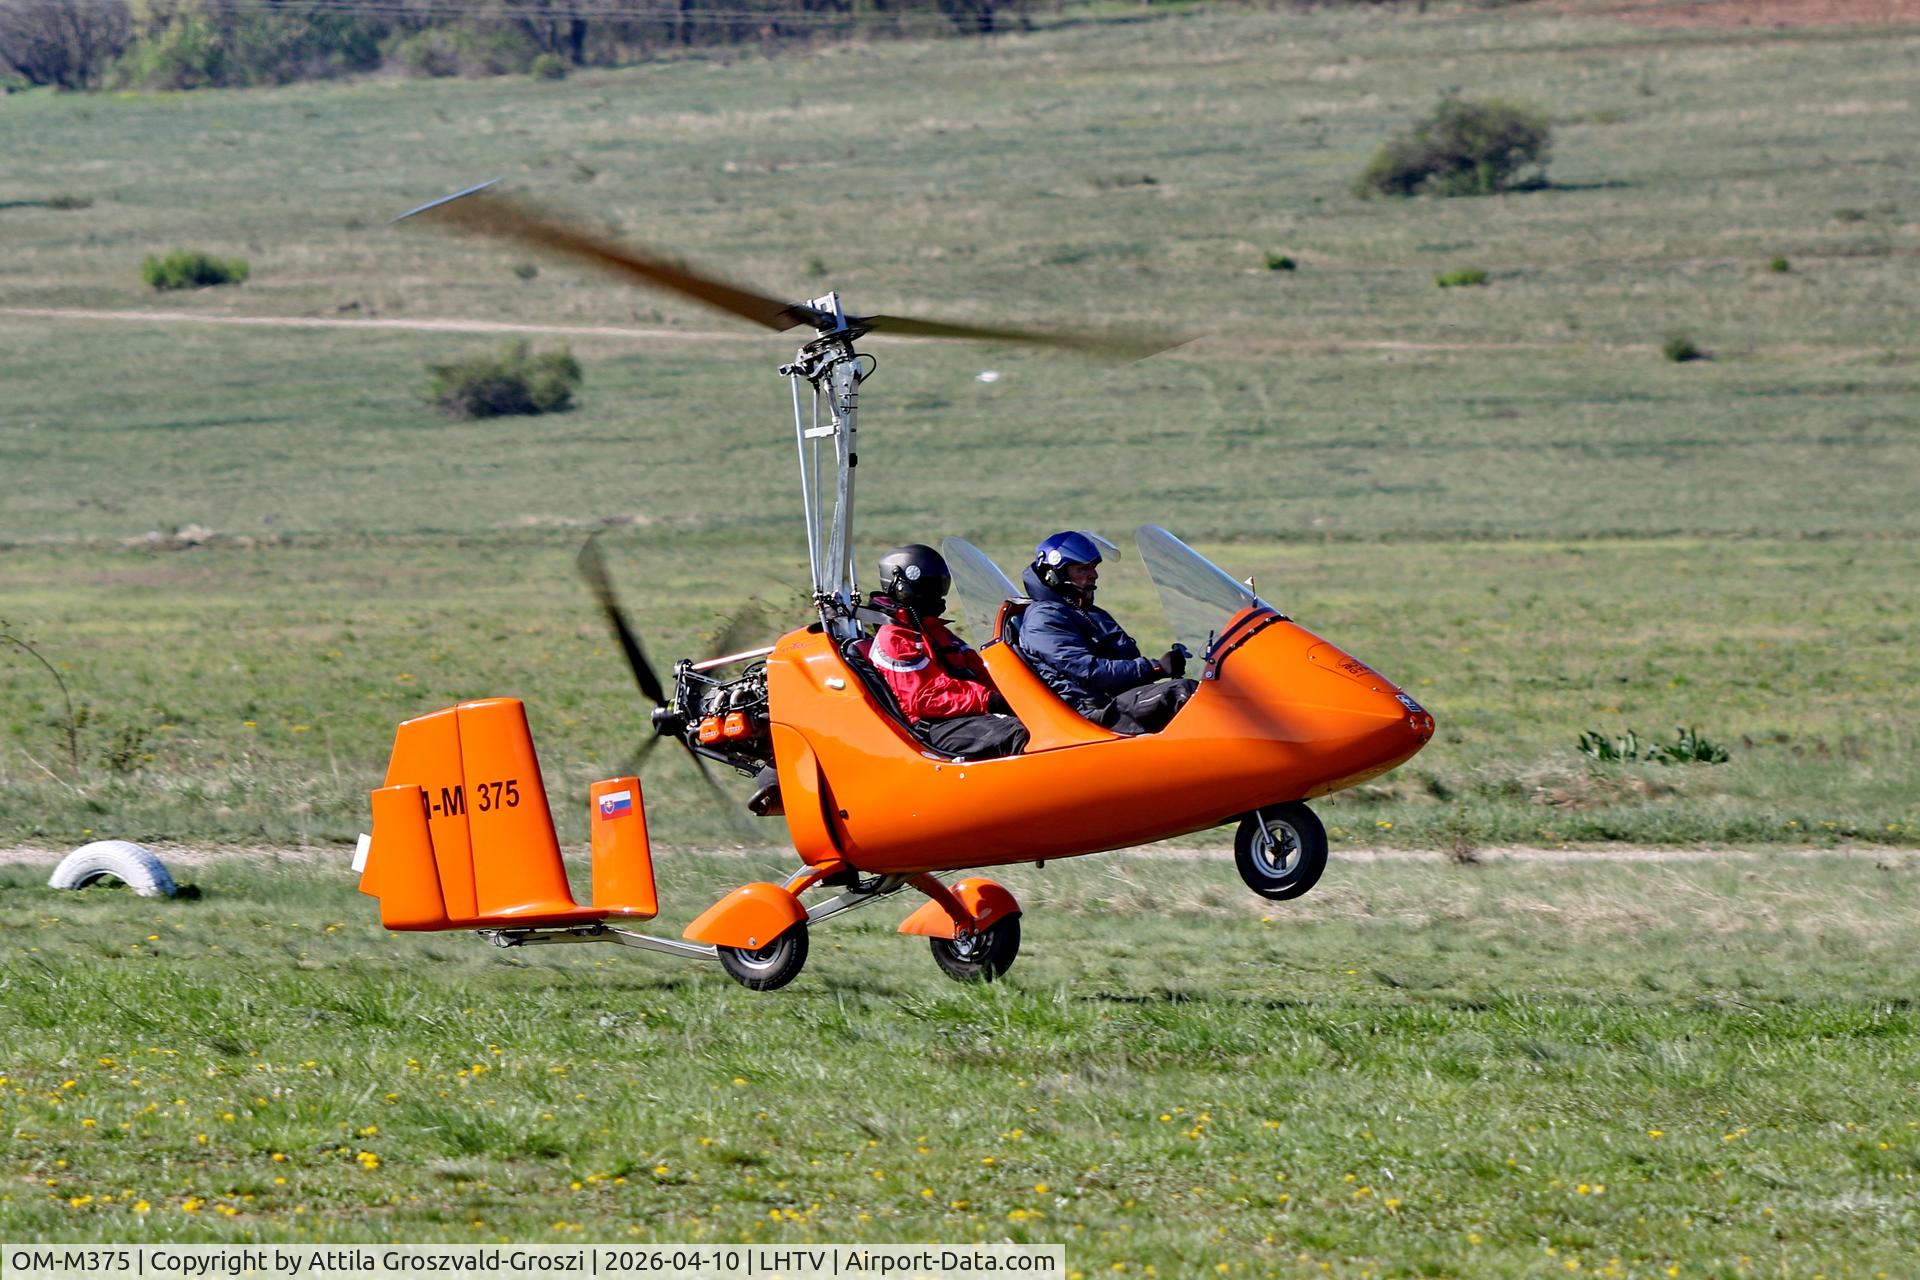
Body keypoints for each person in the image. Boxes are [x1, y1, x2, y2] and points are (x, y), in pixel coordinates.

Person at [1017, 530, 1195, 735]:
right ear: (1054, 576)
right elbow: (1089, 672)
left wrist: (1166, 663)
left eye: (1093, 567)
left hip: (1113, 699)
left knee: (1206, 695)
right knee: (1182, 693)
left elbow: (1124, 659)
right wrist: (1155, 668)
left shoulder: (1083, 612)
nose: (1093, 575)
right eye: (1082, 569)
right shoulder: (1044, 619)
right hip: (1093, 713)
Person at [869, 544, 1028, 760]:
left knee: (1038, 722)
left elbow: (981, 670)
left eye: (939, 588)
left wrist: (1020, 691)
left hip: (963, 717)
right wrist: (989, 700)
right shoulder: (895, 637)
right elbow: (924, 698)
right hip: (933, 728)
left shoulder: (936, 631)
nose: (938, 596)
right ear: (902, 589)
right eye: (930, 588)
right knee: (1020, 735)